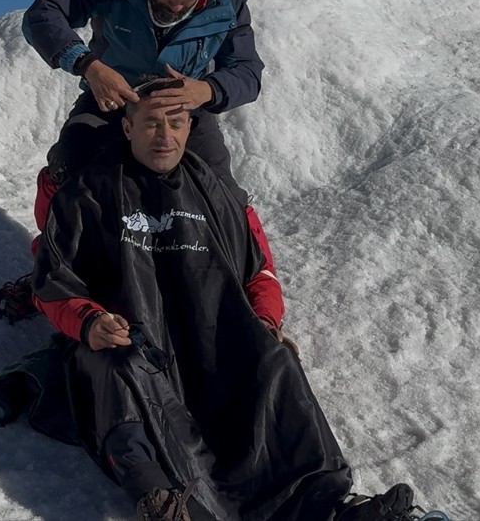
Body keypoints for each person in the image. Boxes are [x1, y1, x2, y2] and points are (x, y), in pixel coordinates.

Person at [31, 79, 418, 521]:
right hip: (134, 344)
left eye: (176, 122)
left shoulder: (217, 194)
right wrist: (88, 321)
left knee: (275, 359)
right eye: (152, 123)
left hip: (211, 335)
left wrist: (265, 321)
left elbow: (259, 271)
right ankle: (161, 500)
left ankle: (328, 505)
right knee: (117, 366)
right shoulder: (86, 193)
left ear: (188, 127)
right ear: (127, 128)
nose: (164, 135)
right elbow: (52, 283)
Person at [8, 0, 280, 322]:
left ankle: (248, 285)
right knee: (68, 168)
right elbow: (43, 14)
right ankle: (53, 270)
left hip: (182, 107)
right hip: (112, 97)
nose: (178, 6)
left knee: (221, 190)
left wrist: (205, 91)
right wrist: (89, 65)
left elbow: (247, 70)